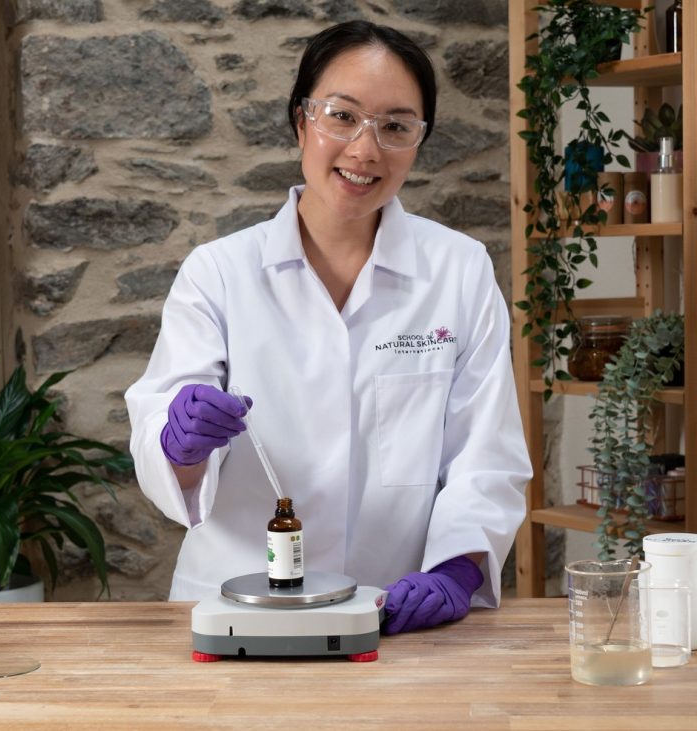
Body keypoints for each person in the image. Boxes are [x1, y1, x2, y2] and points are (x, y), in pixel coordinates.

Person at [125, 20, 532, 634]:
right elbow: (167, 455)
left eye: (396, 126)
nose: (365, 150)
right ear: (300, 122)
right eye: (342, 116)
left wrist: (456, 571)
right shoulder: (219, 273)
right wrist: (179, 444)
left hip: (393, 614)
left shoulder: (459, 269)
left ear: (419, 142)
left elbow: (486, 454)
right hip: (235, 611)